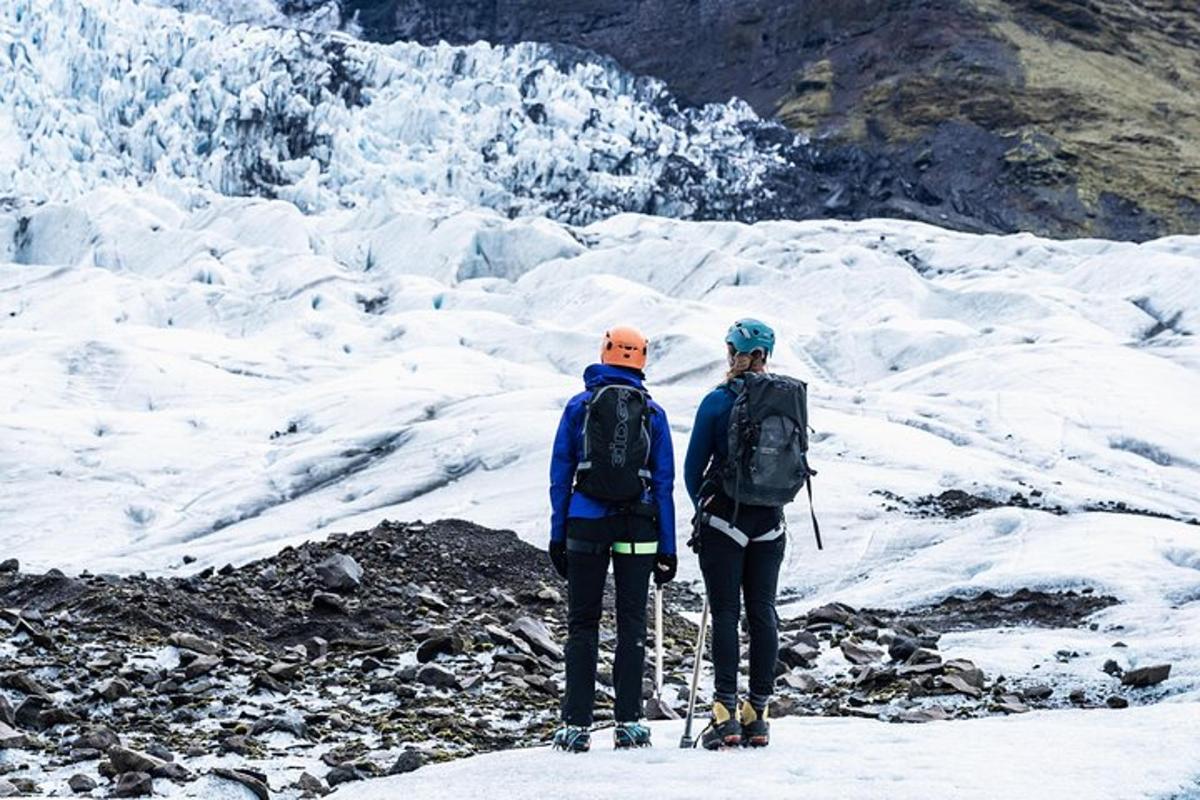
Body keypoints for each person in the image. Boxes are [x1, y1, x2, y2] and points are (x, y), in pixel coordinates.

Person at [547, 325, 677, 753]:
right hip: (637, 527)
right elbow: (663, 484)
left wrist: (558, 533)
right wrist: (668, 547)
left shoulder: (579, 406)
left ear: (604, 354)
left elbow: (561, 473)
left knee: (582, 624)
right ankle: (629, 722)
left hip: (585, 523)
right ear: (642, 360)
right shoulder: (652, 413)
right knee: (631, 624)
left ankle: (576, 726)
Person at [683, 318, 789, 750]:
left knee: (726, 612)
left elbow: (693, 469)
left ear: (733, 353)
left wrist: (704, 509)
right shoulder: (786, 400)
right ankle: (758, 715)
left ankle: (724, 714)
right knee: (762, 612)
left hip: (725, 520)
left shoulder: (716, 401)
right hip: (771, 522)